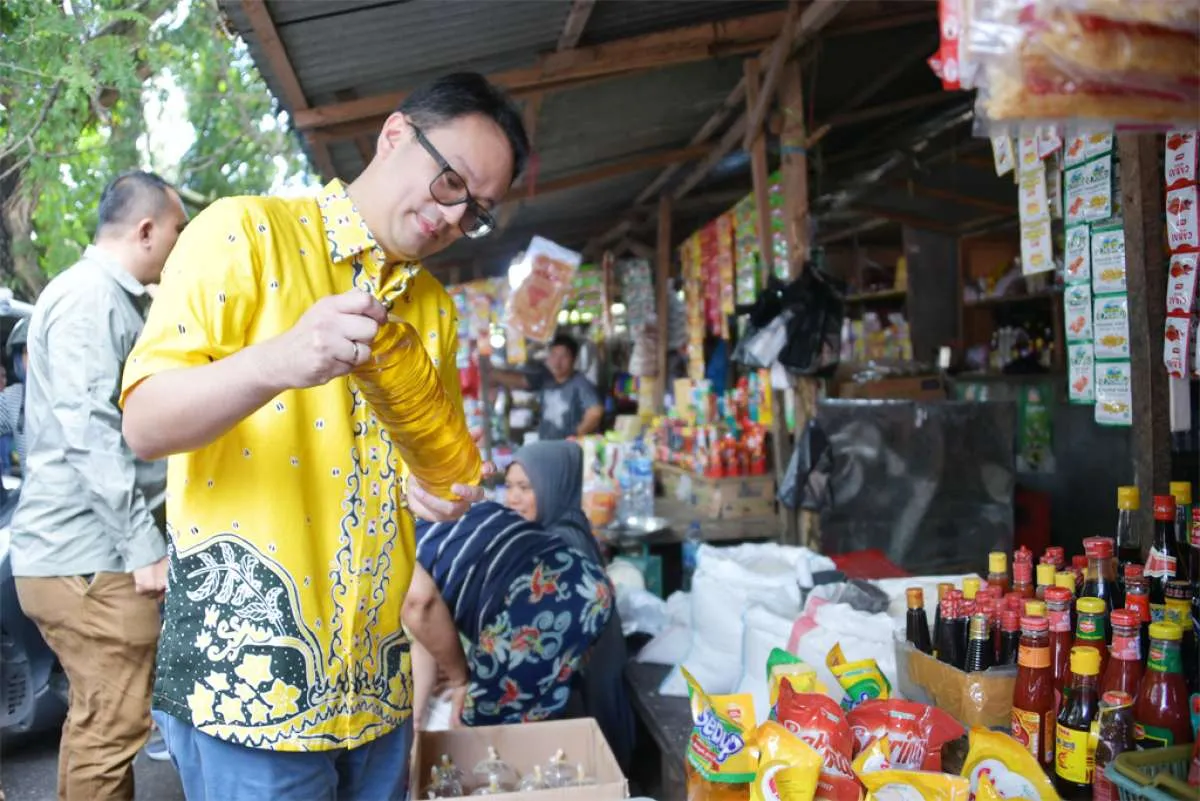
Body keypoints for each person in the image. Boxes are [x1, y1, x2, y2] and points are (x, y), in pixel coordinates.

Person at [118, 72, 528, 801]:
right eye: (449, 184)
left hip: (375, 690)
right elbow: (145, 421)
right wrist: (280, 360)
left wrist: (433, 490)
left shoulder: (432, 307)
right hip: (249, 695)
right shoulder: (244, 232)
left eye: (476, 213)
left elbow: (421, 467)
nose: (452, 217)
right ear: (395, 134)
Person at [9, 171, 188, 801]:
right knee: (112, 727)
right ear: (145, 230)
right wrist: (143, 546)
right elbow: (91, 434)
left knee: (98, 724)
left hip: (77, 558)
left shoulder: (111, 298)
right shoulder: (90, 298)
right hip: (86, 560)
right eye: (177, 230)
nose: (181, 243)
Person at [407, 442, 616, 734]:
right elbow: (425, 636)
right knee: (533, 719)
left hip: (528, 604)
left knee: (481, 733)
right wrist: (415, 721)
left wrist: (459, 679)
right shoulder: (446, 498)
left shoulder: (384, 533)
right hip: (585, 579)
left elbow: (420, 604)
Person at [503, 441, 635, 770]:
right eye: (508, 487)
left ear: (553, 485)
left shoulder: (561, 544)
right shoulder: (558, 530)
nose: (512, 499)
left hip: (582, 700)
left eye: (524, 487)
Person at [489, 333, 603, 440]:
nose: (557, 362)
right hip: (547, 444)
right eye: (554, 355)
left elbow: (595, 411)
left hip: (567, 449)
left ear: (574, 360)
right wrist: (491, 373)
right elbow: (521, 381)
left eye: (564, 356)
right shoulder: (546, 378)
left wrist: (576, 435)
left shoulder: (580, 383)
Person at [0, 318, 28, 475]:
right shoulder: (15, 397)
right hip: (32, 493)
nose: (33, 358)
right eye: (26, 352)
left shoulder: (71, 392)